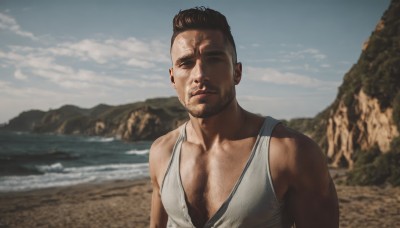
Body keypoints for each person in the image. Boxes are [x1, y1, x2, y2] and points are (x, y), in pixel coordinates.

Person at [149, 7, 339, 228]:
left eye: (214, 58)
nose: (199, 75)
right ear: (173, 78)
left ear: (236, 72)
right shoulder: (161, 152)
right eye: (186, 63)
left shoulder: (290, 153)